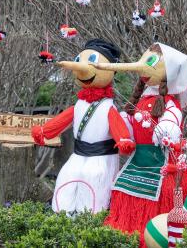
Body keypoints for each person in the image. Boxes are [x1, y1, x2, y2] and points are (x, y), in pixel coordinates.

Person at [92, 42, 187, 245]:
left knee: (161, 196)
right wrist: (124, 126)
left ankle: (155, 235)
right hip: (137, 159)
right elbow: (132, 127)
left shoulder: (170, 103)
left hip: (163, 161)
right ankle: (125, 229)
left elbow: (172, 123)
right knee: (122, 188)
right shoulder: (140, 100)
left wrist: (167, 127)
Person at [32, 39, 135, 214]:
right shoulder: (79, 105)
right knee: (66, 178)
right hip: (78, 155)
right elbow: (63, 120)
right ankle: (62, 215)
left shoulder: (107, 107)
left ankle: (89, 220)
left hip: (100, 158)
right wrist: (45, 131)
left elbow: (117, 126)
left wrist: (124, 140)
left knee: (94, 185)